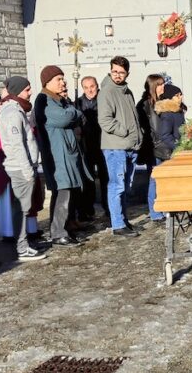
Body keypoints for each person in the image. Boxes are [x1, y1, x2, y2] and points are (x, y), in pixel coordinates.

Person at [35, 65, 98, 245]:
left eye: (63, 79)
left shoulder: (57, 99)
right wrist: (74, 111)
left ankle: (67, 226)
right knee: (62, 193)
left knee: (69, 192)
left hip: (66, 152)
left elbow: (71, 116)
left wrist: (70, 110)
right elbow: (64, 118)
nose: (63, 82)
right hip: (58, 154)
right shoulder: (44, 100)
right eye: (58, 79)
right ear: (48, 82)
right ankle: (58, 233)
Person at [0, 76, 47, 262]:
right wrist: (27, 170)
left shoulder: (14, 109)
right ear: (17, 91)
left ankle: (23, 244)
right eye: (27, 89)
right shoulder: (12, 113)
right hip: (19, 168)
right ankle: (22, 247)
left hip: (21, 166)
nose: (30, 92)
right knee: (22, 209)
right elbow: (17, 145)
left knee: (22, 208)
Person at [98, 56, 142, 236]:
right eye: (114, 71)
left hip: (129, 145)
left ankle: (124, 220)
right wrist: (124, 132)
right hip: (116, 146)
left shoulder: (126, 91)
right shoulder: (107, 92)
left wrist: (138, 136)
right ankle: (117, 224)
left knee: (125, 185)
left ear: (127, 74)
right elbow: (105, 120)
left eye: (121, 72)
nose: (117, 75)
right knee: (117, 185)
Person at [147, 82, 186, 219]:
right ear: (170, 97)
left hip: (175, 151)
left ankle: (171, 208)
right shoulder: (168, 114)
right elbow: (165, 135)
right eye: (177, 95)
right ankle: (156, 212)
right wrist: (178, 147)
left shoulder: (178, 111)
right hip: (166, 152)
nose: (180, 97)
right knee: (158, 181)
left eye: (180, 94)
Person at [76, 76, 108, 219]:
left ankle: (108, 207)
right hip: (86, 146)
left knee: (106, 178)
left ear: (97, 86)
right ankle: (88, 209)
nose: (90, 90)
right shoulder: (78, 103)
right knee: (87, 179)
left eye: (92, 86)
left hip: (103, 144)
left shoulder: (103, 99)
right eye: (86, 87)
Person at [140, 74, 167, 221]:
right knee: (154, 179)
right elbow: (154, 129)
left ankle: (160, 209)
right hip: (155, 147)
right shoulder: (146, 105)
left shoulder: (161, 102)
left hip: (161, 146)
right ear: (153, 87)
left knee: (159, 179)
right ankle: (155, 212)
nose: (163, 87)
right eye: (160, 84)